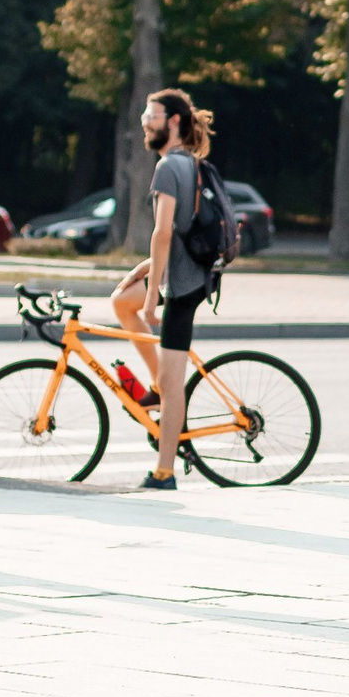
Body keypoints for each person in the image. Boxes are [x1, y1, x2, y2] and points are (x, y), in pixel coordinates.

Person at [109, 87, 217, 491]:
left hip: (184, 286)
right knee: (122, 302)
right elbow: (179, 235)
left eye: (151, 116)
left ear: (173, 121)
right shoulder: (188, 162)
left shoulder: (170, 168)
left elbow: (164, 232)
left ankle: (164, 471)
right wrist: (141, 272)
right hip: (187, 274)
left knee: (175, 384)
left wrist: (153, 292)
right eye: (143, 116)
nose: (144, 122)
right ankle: (158, 388)